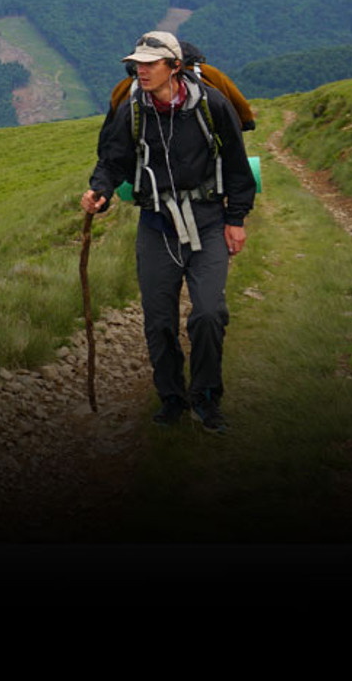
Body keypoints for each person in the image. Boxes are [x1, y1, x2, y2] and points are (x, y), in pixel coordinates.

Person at [80, 31, 257, 433]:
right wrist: (100, 192)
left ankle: (207, 399)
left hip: (209, 221)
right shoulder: (133, 111)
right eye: (137, 64)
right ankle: (172, 399)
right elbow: (113, 161)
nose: (140, 70)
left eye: (150, 64)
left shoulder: (212, 105)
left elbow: (236, 163)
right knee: (158, 320)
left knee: (209, 314)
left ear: (174, 67)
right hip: (156, 224)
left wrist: (237, 219)